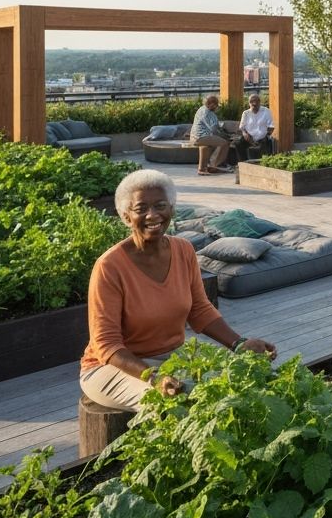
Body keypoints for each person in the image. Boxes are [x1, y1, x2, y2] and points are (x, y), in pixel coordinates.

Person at [79, 169, 277, 411]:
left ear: (171, 209)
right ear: (126, 216)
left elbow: (200, 311)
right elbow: (106, 345)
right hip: (113, 368)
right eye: (141, 209)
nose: (152, 215)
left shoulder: (183, 250)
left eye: (160, 205)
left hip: (172, 357)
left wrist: (239, 344)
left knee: (239, 387)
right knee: (174, 405)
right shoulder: (110, 266)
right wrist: (152, 377)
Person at [190, 94, 231, 175]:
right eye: (215, 103)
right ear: (210, 103)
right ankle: (216, 165)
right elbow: (214, 129)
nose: (216, 105)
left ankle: (202, 169)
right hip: (202, 136)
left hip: (194, 137)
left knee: (207, 146)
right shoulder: (208, 113)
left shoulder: (201, 109)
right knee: (225, 143)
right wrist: (227, 136)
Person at [235, 92, 275, 163]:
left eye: (256, 101)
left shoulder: (266, 111)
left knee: (267, 144)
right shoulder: (246, 113)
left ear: (259, 102)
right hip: (249, 138)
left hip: (263, 138)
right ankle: (244, 163)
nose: (254, 103)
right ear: (249, 103)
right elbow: (242, 127)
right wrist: (245, 134)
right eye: (251, 101)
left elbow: (271, 126)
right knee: (238, 143)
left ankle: (265, 163)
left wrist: (266, 136)